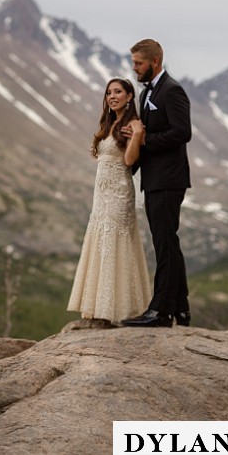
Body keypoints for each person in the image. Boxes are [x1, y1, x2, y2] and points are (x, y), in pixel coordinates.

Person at [67, 78, 151, 324]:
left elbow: (129, 160)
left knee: (116, 239)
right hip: (101, 194)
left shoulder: (133, 124)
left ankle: (119, 309)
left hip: (119, 190)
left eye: (117, 92)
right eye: (108, 93)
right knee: (100, 238)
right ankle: (97, 305)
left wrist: (136, 135)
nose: (112, 96)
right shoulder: (107, 123)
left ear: (128, 96)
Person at [121, 39, 192, 328]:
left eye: (139, 63)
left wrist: (147, 138)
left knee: (164, 244)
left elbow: (182, 133)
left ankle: (160, 311)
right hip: (154, 179)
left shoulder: (172, 90)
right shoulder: (145, 93)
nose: (134, 68)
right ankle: (181, 307)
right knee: (168, 243)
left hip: (168, 179)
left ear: (155, 61)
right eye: (134, 62)